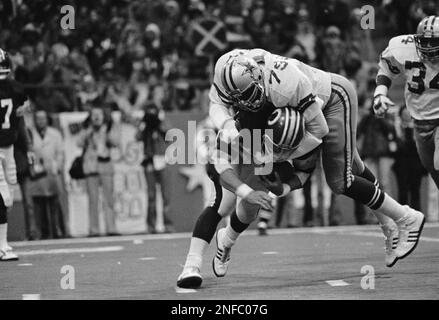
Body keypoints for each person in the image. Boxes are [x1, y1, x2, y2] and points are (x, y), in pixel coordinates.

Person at [177, 48, 424, 287]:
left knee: (341, 177)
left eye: (253, 95)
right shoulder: (228, 81)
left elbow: (316, 139)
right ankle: (202, 257)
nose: (250, 102)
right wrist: (231, 130)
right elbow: (219, 160)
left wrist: (280, 157)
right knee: (227, 202)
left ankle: (402, 218)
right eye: (242, 100)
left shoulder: (287, 87)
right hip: (267, 129)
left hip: (328, 102)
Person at [373, 16, 439, 191]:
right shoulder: (404, 47)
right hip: (419, 120)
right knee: (433, 169)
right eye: (423, 41)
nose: (427, 47)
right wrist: (380, 94)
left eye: (433, 42)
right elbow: (386, 69)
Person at [0, 48, 32, 260]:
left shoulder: (14, 88)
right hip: (6, 146)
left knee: (8, 195)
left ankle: (3, 243)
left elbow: (22, 109)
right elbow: (25, 104)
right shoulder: (15, 87)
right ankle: (2, 245)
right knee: (3, 195)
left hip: (8, 147)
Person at [77, 105, 120, 237]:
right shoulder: (87, 129)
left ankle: (111, 228)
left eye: (98, 114)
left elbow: (116, 142)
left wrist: (105, 131)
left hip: (105, 165)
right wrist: (88, 131)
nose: (96, 117)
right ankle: (94, 229)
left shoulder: (108, 128)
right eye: (93, 115)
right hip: (91, 167)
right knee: (93, 200)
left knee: (109, 199)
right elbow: (78, 143)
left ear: (103, 116)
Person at [30, 110, 65, 239]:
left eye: (43, 118)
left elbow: (61, 152)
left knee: (55, 204)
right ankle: (43, 233)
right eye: (38, 118)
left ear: (47, 119)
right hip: (38, 174)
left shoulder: (55, 134)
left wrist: (58, 165)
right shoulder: (30, 134)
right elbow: (28, 152)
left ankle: (58, 231)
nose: (41, 121)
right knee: (39, 205)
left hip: (52, 172)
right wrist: (32, 166)